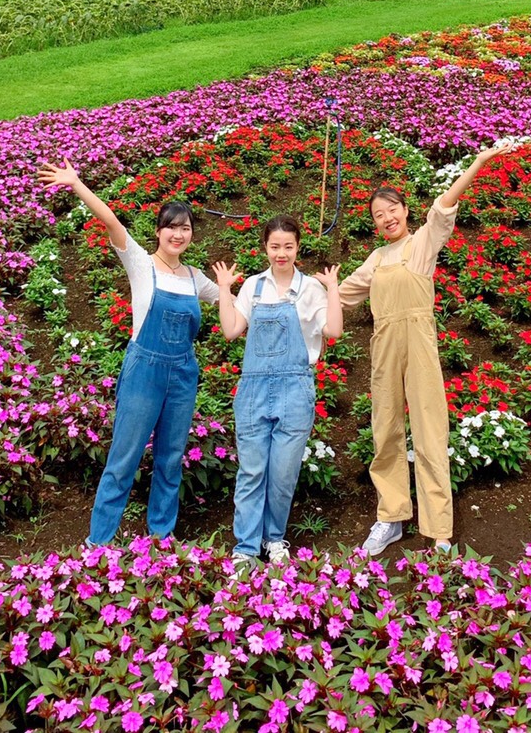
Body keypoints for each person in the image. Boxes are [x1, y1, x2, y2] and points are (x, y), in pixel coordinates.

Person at [338, 143, 515, 556]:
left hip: (418, 342)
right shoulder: (375, 259)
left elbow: (444, 205)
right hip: (384, 345)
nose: (387, 218)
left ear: (405, 211)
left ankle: (439, 530)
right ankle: (391, 517)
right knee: (385, 430)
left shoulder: (422, 244)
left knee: (430, 431)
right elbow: (340, 295)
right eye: (378, 215)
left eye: (392, 210)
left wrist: (479, 162)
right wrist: (296, 289)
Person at [38, 159, 219, 545]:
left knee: (170, 459)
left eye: (185, 228)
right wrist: (76, 183)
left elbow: (235, 304)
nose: (178, 234)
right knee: (124, 457)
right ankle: (98, 542)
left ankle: (161, 538)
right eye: (171, 226)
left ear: (191, 234)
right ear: (158, 231)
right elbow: (111, 221)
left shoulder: (196, 279)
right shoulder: (141, 264)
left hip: (183, 375)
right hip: (144, 372)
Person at [213, 216, 342, 564]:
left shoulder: (311, 288)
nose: (281, 253)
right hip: (253, 389)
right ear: (265, 248)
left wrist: (332, 289)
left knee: (283, 473)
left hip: (295, 389)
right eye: (274, 246)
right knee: (252, 471)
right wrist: (224, 289)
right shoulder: (253, 286)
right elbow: (231, 330)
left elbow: (333, 330)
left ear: (298, 247)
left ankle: (274, 539)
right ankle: (245, 548)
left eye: (288, 246)